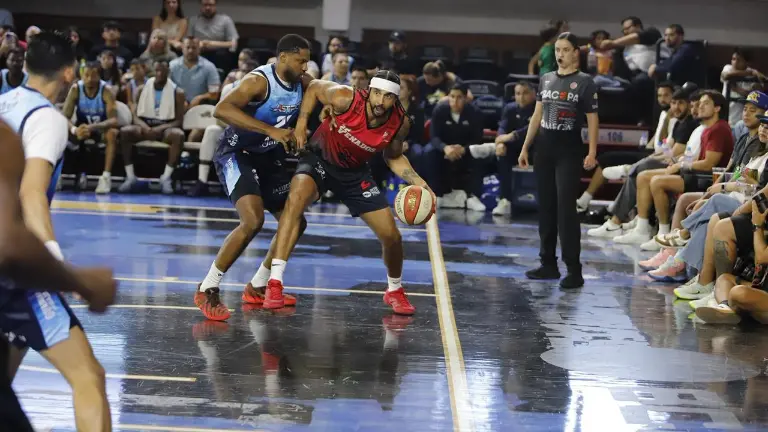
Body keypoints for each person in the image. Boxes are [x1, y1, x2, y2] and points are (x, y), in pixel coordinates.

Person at [0, 31, 114, 432]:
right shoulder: (47, 118)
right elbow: (31, 194)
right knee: (89, 377)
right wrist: (55, 262)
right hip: (14, 265)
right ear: (70, 72)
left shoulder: (3, 103)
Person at [266, 70, 434, 315]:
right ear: (369, 92)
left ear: (395, 99)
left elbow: (393, 156)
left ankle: (394, 290)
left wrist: (420, 183)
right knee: (296, 199)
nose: (380, 101)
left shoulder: (400, 121)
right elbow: (313, 87)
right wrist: (302, 124)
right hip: (320, 158)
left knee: (392, 236)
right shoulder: (346, 97)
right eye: (376, 93)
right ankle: (275, 283)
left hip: (355, 173)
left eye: (388, 97)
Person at [194, 34, 313, 321]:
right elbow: (221, 109)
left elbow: (327, 94)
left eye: (307, 62)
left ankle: (258, 286)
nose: (305, 67)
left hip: (268, 155)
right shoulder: (259, 81)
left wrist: (302, 127)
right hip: (237, 152)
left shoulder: (304, 83)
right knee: (253, 220)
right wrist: (271, 131)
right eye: (300, 61)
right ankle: (207, 287)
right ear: (283, 57)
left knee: (295, 221)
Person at [518, 32, 599, 289]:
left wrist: (592, 151)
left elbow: (593, 120)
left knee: (566, 210)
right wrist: (525, 147)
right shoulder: (546, 79)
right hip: (544, 149)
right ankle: (548, 264)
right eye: (557, 50)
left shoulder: (585, 82)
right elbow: (536, 116)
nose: (560, 55)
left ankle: (574, 270)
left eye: (565, 50)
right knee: (547, 207)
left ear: (576, 52)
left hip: (569, 151)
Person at [119, 60, 186, 194]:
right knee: (125, 132)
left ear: (168, 72)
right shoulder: (141, 89)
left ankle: (166, 178)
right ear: (153, 72)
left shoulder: (177, 92)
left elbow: (179, 121)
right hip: (145, 126)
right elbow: (135, 116)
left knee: (178, 135)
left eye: (163, 71)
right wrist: (145, 127)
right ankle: (130, 176)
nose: (160, 73)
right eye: (157, 71)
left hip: (165, 128)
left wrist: (159, 129)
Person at [62, 61, 120, 194]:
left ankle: (105, 177)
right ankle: (57, 174)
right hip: (81, 128)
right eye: (86, 75)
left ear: (100, 76)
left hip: (100, 128)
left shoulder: (106, 90)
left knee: (112, 134)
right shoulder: (76, 89)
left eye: (93, 75)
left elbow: (114, 120)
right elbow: (64, 117)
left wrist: (93, 127)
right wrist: (74, 130)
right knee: (57, 130)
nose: (89, 79)